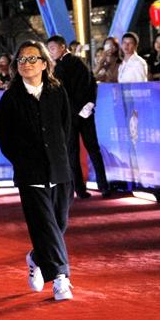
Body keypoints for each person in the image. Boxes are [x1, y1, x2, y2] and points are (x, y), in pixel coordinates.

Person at [0, 40, 74, 301]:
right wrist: (24, 161)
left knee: (58, 224)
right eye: (21, 60)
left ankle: (36, 257)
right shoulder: (10, 98)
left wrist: (59, 157)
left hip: (59, 169)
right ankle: (61, 279)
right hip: (31, 174)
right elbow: (6, 140)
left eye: (32, 59)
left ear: (44, 63)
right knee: (45, 225)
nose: (26, 64)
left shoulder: (57, 91)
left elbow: (65, 128)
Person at [47, 35, 110, 199]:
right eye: (49, 49)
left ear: (62, 47)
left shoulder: (67, 65)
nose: (50, 52)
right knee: (90, 150)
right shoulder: (74, 63)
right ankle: (102, 186)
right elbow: (91, 83)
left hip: (74, 114)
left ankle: (81, 189)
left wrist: (86, 106)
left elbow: (70, 91)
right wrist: (90, 104)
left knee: (75, 152)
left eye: (52, 48)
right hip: (82, 112)